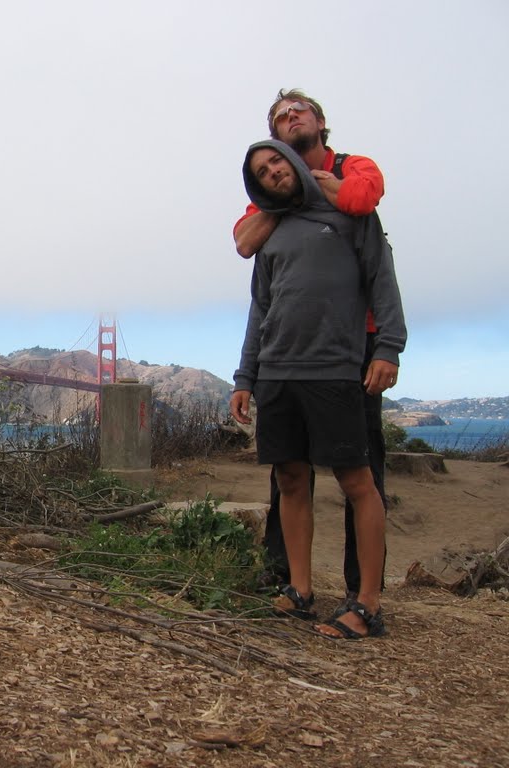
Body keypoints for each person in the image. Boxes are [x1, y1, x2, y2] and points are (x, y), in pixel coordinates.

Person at [230, 139, 406, 638]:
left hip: (334, 367)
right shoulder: (271, 233)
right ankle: (301, 590)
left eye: (276, 163)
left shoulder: (349, 215)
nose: (272, 173)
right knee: (289, 478)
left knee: (357, 481)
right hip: (277, 372)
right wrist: (245, 377)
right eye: (262, 172)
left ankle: (368, 605)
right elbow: (259, 309)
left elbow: (382, 280)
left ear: (294, 163)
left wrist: (388, 348)